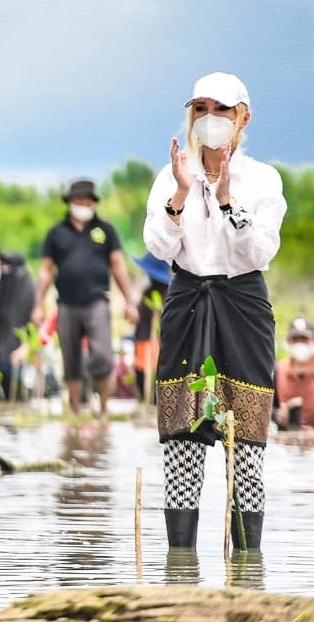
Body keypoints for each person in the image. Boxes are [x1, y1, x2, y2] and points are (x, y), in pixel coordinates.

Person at [145, 72, 287, 550]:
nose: (210, 119)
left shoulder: (263, 178)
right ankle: (180, 564)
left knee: (245, 441)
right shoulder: (171, 173)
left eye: (221, 110)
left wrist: (226, 201)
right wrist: (182, 194)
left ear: (242, 117)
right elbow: (159, 246)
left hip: (242, 304)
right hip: (187, 300)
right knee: (182, 434)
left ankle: (248, 565)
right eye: (201, 108)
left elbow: (259, 253)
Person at [32, 179, 140, 416]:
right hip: (67, 303)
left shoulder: (105, 230)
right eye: (79, 200)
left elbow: (118, 265)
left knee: (101, 356)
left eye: (87, 201)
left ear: (93, 203)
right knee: (70, 357)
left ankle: (102, 408)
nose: (84, 204)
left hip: (97, 301)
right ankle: (76, 408)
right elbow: (45, 270)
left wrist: (130, 302)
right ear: (70, 202)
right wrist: (38, 305)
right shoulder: (56, 233)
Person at [0, 251, 36, 401]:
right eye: (3, 265)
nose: (5, 270)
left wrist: (26, 347)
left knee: (20, 395)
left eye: (9, 266)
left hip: (21, 352)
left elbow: (36, 325)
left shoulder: (30, 292)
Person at [131, 251, 171, 402]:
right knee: (146, 370)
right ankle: (146, 400)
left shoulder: (161, 294)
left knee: (151, 370)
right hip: (145, 339)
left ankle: (149, 401)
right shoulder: (155, 293)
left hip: (153, 341)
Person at [275, 317, 314, 431]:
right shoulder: (278, 370)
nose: (299, 343)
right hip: (286, 439)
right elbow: (269, 407)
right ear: (288, 342)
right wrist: (278, 414)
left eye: (304, 339)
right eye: (295, 339)